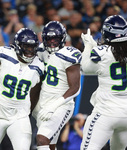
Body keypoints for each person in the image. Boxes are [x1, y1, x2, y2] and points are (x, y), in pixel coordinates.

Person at [0, 28, 44, 150]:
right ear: (17, 46)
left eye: (32, 47)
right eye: (26, 46)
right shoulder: (3, 57)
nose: (29, 50)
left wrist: (27, 112)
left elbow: (35, 92)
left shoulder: (39, 66)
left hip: (19, 116)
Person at [80, 15, 127, 150]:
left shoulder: (101, 53)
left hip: (106, 113)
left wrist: (88, 46)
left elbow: (85, 68)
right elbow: (116, 54)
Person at [32, 21, 82, 150]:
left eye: (56, 39)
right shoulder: (41, 50)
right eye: (49, 38)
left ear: (63, 38)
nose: (52, 42)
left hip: (61, 105)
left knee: (42, 139)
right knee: (50, 144)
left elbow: (75, 88)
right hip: (43, 102)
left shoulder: (70, 55)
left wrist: (54, 106)